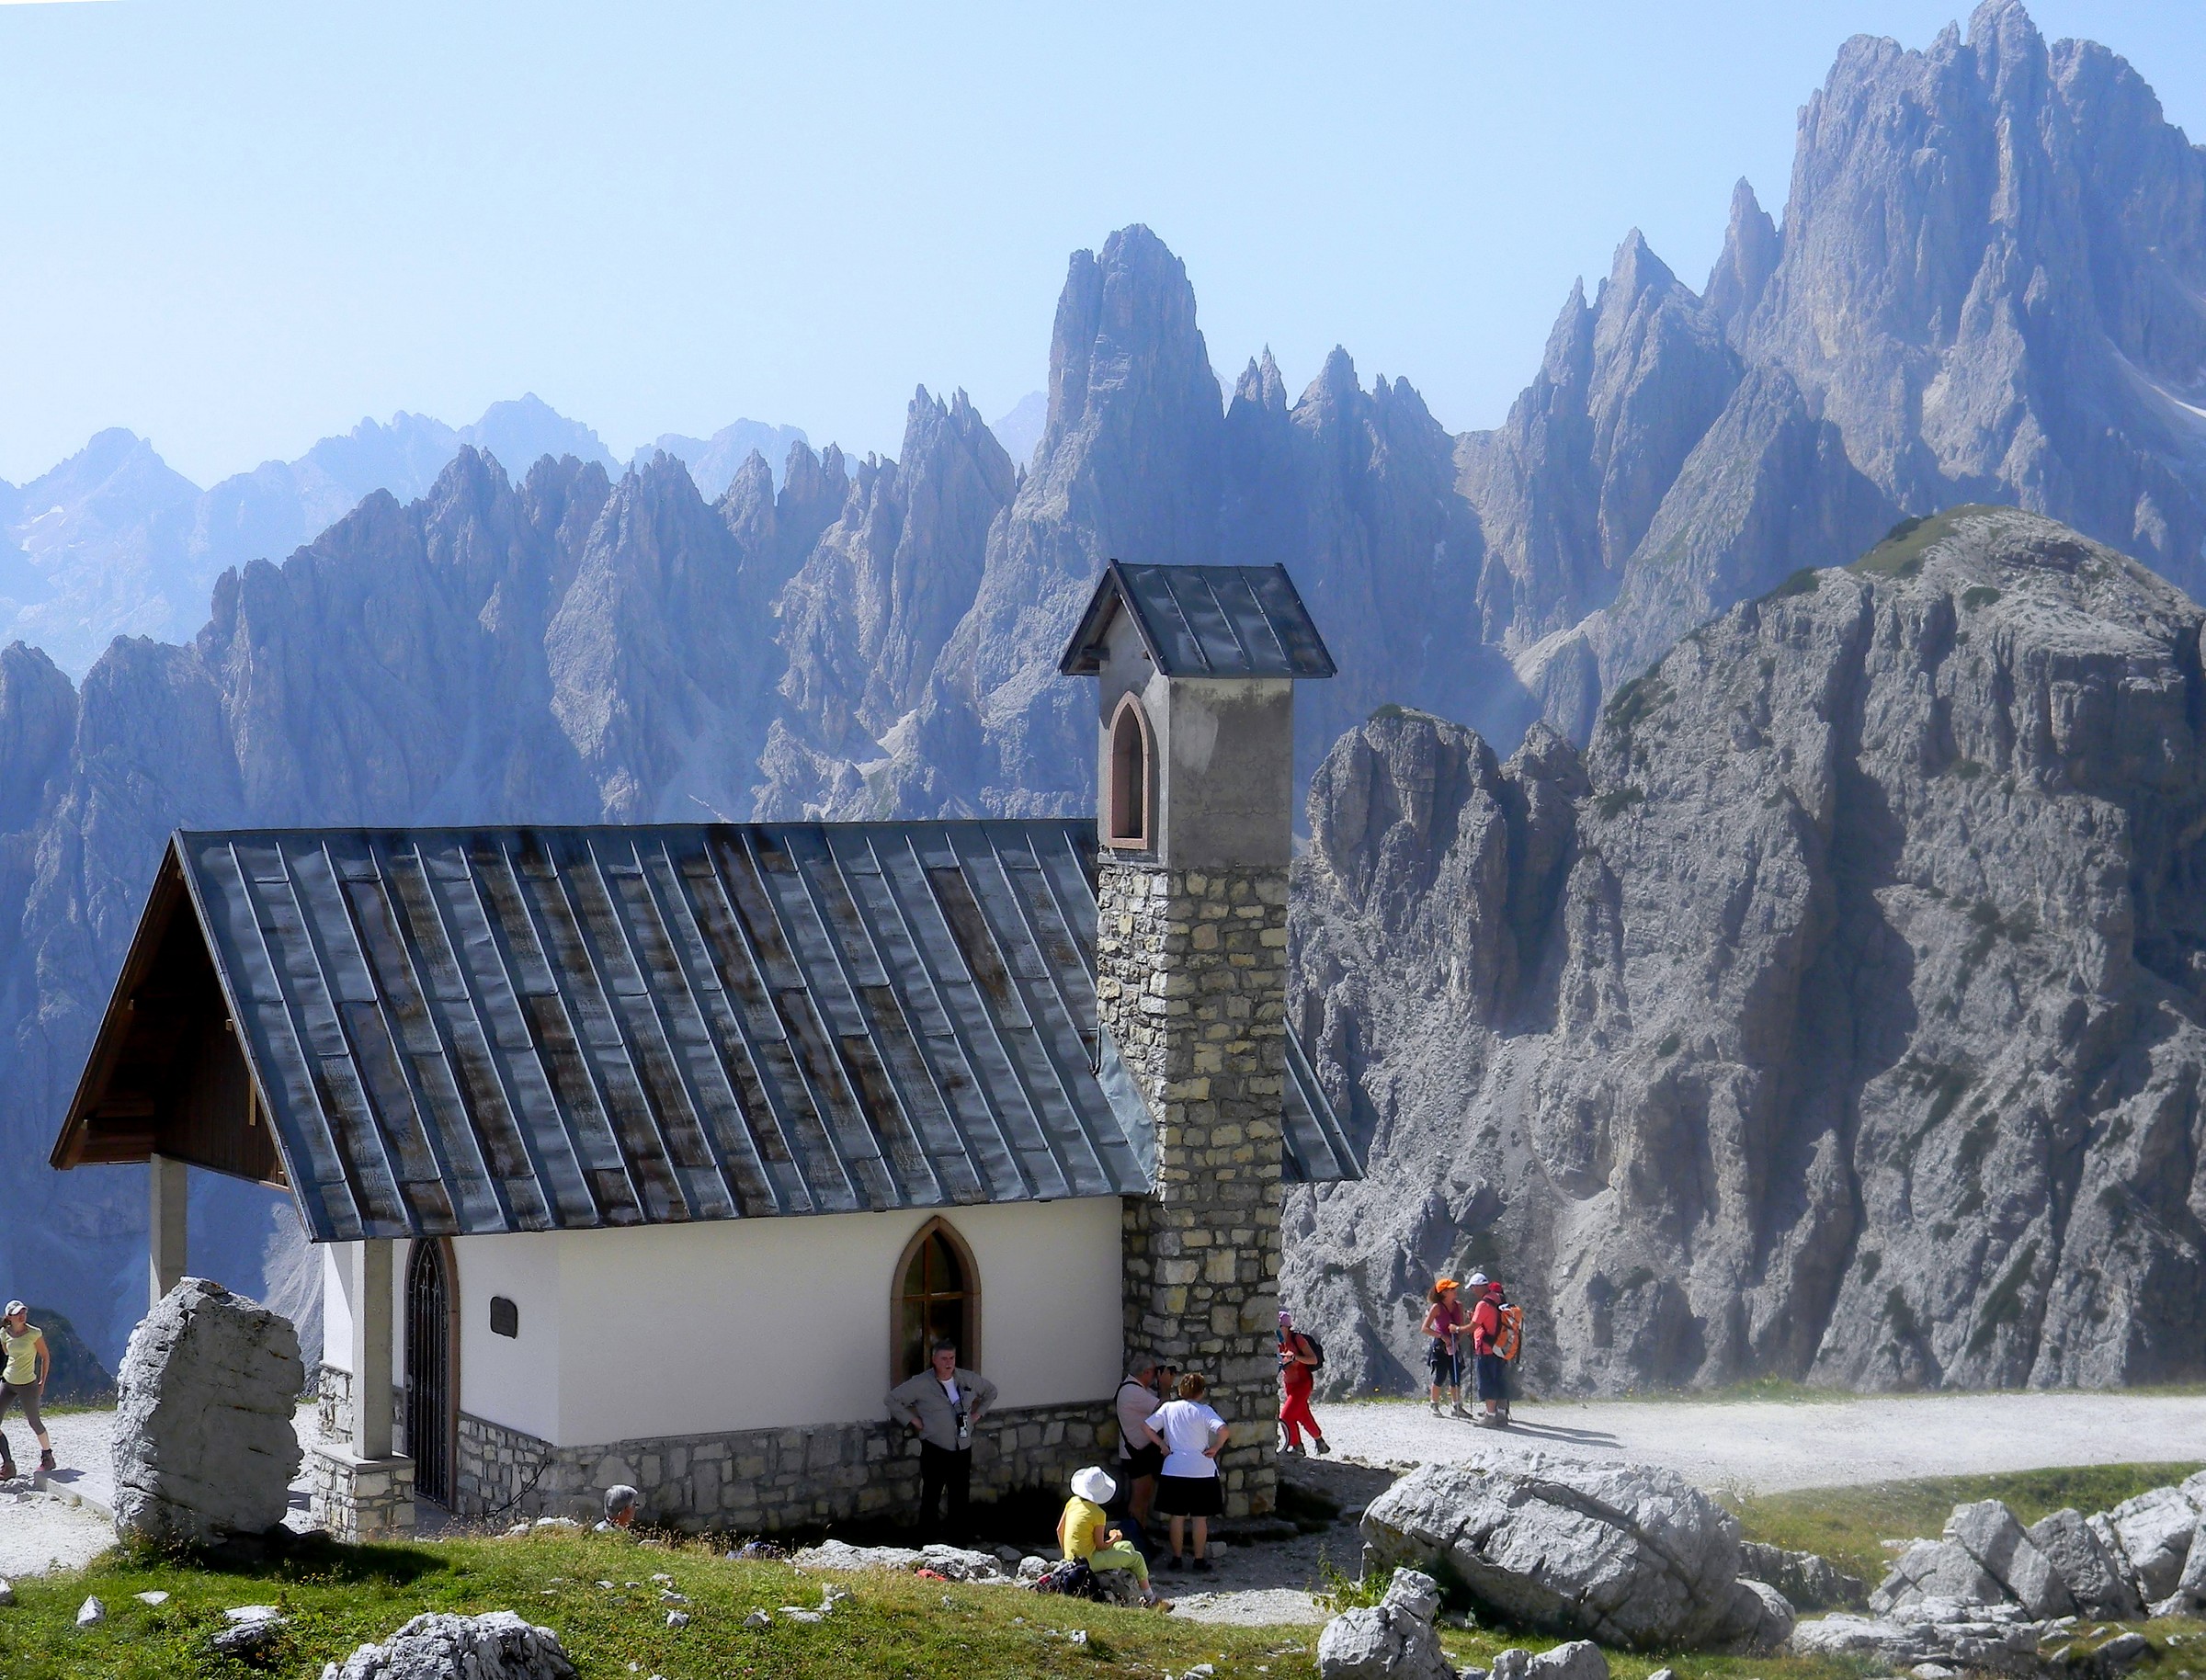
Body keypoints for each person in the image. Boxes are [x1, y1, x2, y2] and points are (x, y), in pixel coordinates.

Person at [885, 1339, 997, 1539]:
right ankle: (927, 1539)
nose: (949, 1363)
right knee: (931, 1495)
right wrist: (914, 1421)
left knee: (960, 1496)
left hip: (962, 1446)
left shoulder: (966, 1379)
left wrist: (977, 1415)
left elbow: (991, 1391)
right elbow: (892, 1400)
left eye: (952, 1358)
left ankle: (958, 1540)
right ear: (934, 1360)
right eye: (944, 1358)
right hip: (935, 1447)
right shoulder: (921, 1383)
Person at [1148, 1371, 1228, 1572]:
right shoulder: (1204, 1411)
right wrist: (1216, 1447)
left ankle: (1176, 1559)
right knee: (1200, 1518)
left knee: (1177, 1517)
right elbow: (1224, 1430)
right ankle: (1198, 1560)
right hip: (1202, 1469)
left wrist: (1162, 1445)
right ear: (1201, 1392)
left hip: (1174, 1467)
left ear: (1180, 1389)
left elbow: (1146, 1427)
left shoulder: (1168, 1408)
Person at [1058, 1465, 1167, 1607]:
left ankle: (1117, 1573)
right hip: (1088, 1561)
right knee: (1137, 1558)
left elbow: (1059, 1529)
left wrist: (1066, 1554)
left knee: (1127, 1546)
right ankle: (1151, 1598)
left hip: (1070, 1557)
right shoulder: (1098, 1513)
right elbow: (1101, 1545)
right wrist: (1115, 1538)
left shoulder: (1072, 1502)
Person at [1113, 1356, 1170, 1530]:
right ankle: (1135, 1541)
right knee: (1140, 1498)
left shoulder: (1136, 1389)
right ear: (1145, 1373)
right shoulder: (1133, 1392)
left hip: (1139, 1452)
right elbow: (1164, 1408)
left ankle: (1141, 1537)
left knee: (1144, 1497)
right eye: (1154, 1372)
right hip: (1137, 1454)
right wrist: (1165, 1387)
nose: (1155, 1375)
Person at [0, 1301, 54, 1479]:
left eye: (24, 1311)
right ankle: (8, 1465)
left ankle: (48, 1457)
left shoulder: (34, 1333)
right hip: (8, 1381)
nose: (22, 1315)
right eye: (17, 1313)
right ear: (9, 1317)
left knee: (34, 1422)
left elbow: (45, 1356)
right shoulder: (4, 1333)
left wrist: (42, 1382)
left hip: (28, 1384)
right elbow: (7, 1352)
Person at [1277, 1311, 1328, 1456]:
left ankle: (1297, 1447)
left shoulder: (1297, 1339)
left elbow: (1313, 1360)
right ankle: (1320, 1442)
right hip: (1290, 1386)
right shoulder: (1279, 1343)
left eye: (1278, 1326)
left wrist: (1295, 1357)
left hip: (1303, 1384)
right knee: (1302, 1415)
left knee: (1286, 1417)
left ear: (1286, 1326)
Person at [1419, 1278, 1471, 1418]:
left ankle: (1456, 1406)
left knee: (1456, 1376)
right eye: (1451, 1289)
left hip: (1454, 1343)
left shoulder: (1458, 1306)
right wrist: (1442, 1336)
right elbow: (1425, 1328)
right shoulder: (1436, 1307)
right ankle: (1434, 1404)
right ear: (1443, 1293)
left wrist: (1458, 1339)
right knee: (1440, 1375)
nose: (1455, 1291)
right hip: (1440, 1345)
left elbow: (1460, 1326)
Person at [1468, 1277, 1511, 1426]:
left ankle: (1490, 1416)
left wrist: (1457, 1329)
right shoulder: (1498, 1298)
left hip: (1486, 1349)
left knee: (1487, 1382)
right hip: (1500, 1347)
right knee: (1499, 1380)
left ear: (1479, 1286)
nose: (1472, 1291)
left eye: (1473, 1287)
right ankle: (1501, 1414)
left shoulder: (1483, 1304)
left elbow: (1472, 1327)